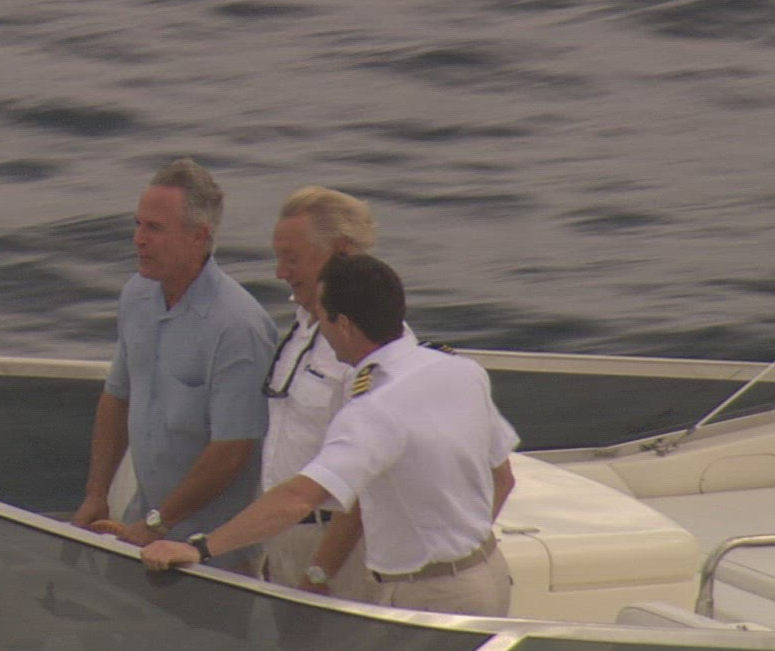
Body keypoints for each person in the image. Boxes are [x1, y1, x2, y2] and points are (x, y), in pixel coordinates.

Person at [141, 253, 519, 617]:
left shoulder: (374, 408)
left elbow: (298, 499)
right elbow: (503, 478)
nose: (320, 328)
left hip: (431, 597)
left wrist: (203, 549)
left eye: (321, 317)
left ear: (345, 325)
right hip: (487, 572)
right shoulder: (462, 371)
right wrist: (461, 553)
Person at [70, 157, 278, 572]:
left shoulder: (237, 327)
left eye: (155, 228)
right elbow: (117, 397)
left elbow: (233, 448)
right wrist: (97, 493)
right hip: (141, 526)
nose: (139, 240)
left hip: (213, 550)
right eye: (138, 225)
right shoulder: (136, 296)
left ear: (199, 236)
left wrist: (161, 523)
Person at [259, 186, 399, 602]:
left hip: (337, 554)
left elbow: (364, 482)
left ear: (339, 252)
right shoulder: (304, 329)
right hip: (286, 536)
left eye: (292, 259)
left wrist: (319, 573)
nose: (280, 272)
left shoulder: (368, 346)